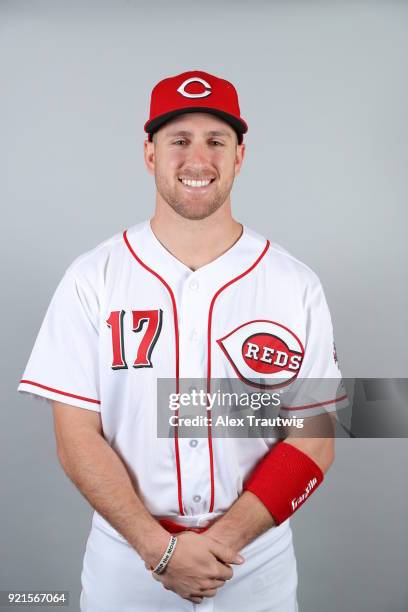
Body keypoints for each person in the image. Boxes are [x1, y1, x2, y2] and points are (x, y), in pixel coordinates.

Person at [17, 70, 348, 611]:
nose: (199, 159)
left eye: (216, 141)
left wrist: (218, 546)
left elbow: (313, 439)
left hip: (255, 566)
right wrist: (160, 550)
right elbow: (75, 437)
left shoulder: (294, 283)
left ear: (241, 156)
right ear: (149, 154)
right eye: (179, 140)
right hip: (127, 563)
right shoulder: (92, 277)